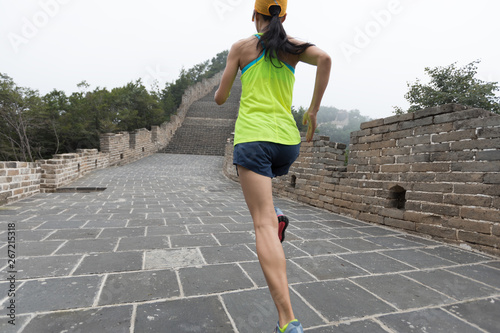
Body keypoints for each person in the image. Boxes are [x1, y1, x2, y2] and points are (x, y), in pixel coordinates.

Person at [214, 1, 331, 332]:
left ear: (255, 15)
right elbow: (325, 59)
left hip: (253, 140)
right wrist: (313, 111)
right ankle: (276, 214)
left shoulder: (241, 47)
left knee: (261, 225)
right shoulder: (292, 47)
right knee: (268, 208)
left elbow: (220, 98)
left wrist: (235, 74)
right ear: (283, 16)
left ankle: (287, 319)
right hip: (287, 144)